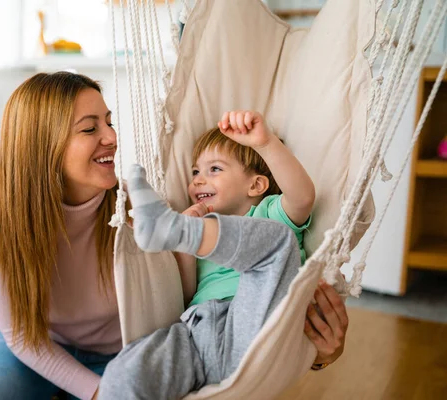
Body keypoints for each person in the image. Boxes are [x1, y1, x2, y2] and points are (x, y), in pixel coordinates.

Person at [0, 73, 348, 400]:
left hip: (121, 353)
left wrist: (311, 350)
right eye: (90, 128)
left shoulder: (135, 205)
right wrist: (94, 392)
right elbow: (21, 335)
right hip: (41, 348)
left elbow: (192, 309)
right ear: (44, 144)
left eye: (109, 121)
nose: (112, 137)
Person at [97, 111, 347, 399]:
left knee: (279, 243)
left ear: (256, 185)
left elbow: (303, 197)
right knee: (123, 374)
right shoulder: (204, 231)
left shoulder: (268, 213)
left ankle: (170, 228)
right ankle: (171, 230)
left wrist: (265, 144)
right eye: (195, 172)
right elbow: (186, 292)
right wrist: (187, 246)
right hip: (196, 332)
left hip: (259, 330)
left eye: (214, 169)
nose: (198, 181)